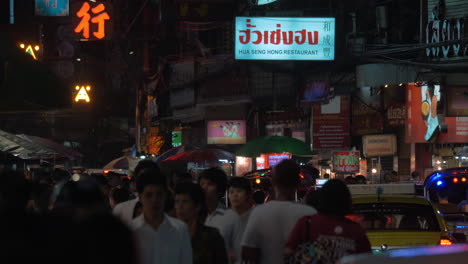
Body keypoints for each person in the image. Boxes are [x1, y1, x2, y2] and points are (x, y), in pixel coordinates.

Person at [241, 159, 316, 264]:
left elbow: (248, 251)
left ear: (273, 181)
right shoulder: (310, 213)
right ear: (298, 183)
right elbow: (315, 252)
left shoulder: (259, 212)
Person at [285, 179, 371, 264]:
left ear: (322, 198)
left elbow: (288, 252)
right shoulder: (355, 230)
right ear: (346, 201)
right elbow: (367, 259)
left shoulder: (307, 223)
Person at [131, 168, 192, 264]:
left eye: (159, 194)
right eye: (149, 195)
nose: (155, 200)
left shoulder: (180, 229)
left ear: (165, 195)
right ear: (140, 197)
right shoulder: (131, 231)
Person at [174, 182, 228, 264]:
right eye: (177, 202)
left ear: (197, 206)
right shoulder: (170, 234)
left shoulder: (212, 236)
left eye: (185, 202)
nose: (180, 207)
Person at [199, 167, 241, 259]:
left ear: (220, 190)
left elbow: (238, 253)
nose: (204, 187)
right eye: (202, 184)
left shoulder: (231, 217)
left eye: (210, 184)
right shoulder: (193, 215)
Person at [113, 160, 160, 225]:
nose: (147, 181)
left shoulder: (170, 208)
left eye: (151, 177)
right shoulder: (122, 209)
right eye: (143, 178)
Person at [228, 177, 254, 264]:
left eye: (239, 191)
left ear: (247, 194)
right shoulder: (225, 217)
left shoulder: (255, 216)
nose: (235, 195)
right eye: (231, 192)